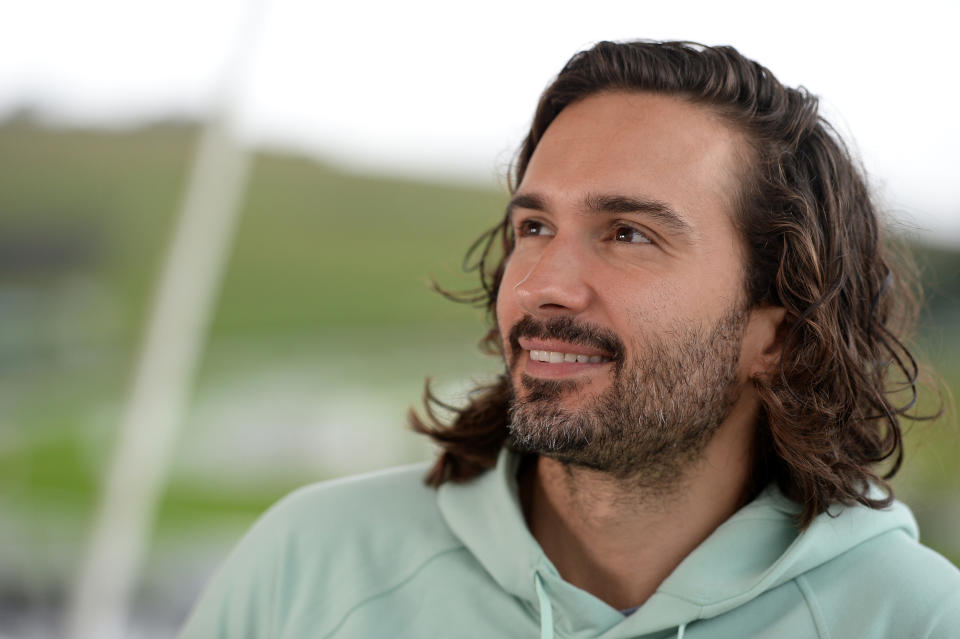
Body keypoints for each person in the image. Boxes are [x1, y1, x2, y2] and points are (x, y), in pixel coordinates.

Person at [179, 40, 960, 638]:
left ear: (781, 338)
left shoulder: (914, 617)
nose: (541, 283)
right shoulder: (313, 564)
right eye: (535, 226)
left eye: (627, 233)